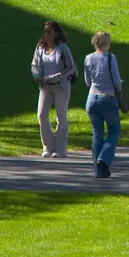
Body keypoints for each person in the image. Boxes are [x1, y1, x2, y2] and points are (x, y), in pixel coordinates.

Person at [31, 21, 77, 159]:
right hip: (45, 87)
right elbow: (34, 64)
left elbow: (71, 68)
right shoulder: (40, 48)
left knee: (61, 117)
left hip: (61, 86)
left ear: (56, 33)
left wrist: (55, 76)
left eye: (49, 32)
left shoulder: (62, 49)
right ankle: (48, 146)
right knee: (41, 115)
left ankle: (60, 149)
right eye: (45, 32)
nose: (46, 35)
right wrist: (37, 76)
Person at [84, 31, 122, 178]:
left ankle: (98, 170)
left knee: (97, 133)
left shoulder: (88, 58)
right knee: (114, 131)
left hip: (92, 98)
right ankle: (103, 159)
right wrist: (119, 91)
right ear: (107, 43)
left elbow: (87, 81)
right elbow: (117, 81)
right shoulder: (110, 58)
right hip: (107, 98)